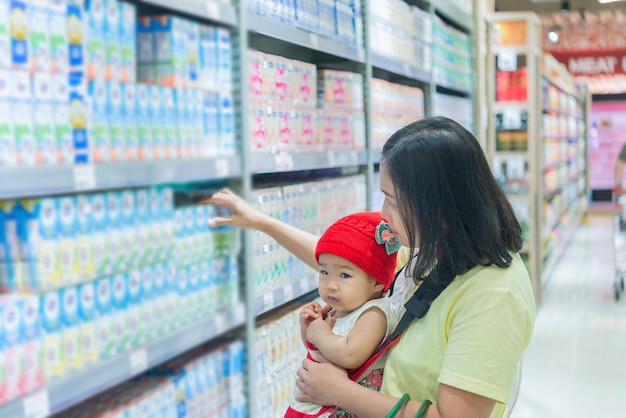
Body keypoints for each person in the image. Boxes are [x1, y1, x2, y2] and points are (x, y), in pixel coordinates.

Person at [207, 116, 536, 418]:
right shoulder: (437, 254)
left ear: (435, 205)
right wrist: (262, 222)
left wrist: (340, 391)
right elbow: (349, 266)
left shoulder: (494, 293)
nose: (383, 213)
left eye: (393, 200)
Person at [284, 211, 399, 417]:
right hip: (314, 403)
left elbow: (348, 355)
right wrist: (309, 330)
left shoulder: (373, 314)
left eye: (344, 275)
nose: (331, 285)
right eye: (324, 272)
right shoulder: (344, 308)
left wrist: (319, 332)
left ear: (377, 282)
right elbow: (324, 350)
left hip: (337, 409)